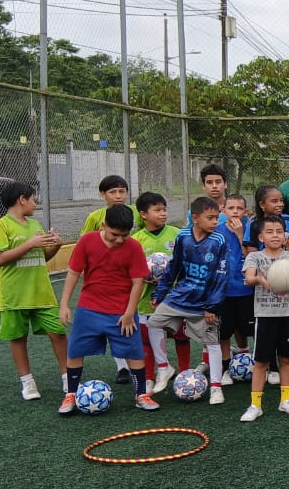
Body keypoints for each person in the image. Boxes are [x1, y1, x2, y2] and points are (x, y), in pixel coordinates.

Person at [57, 203, 156, 415]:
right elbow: (73, 272)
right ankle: (71, 394)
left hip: (122, 312)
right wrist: (64, 304)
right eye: (114, 235)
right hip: (89, 308)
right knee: (75, 350)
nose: (119, 240)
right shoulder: (87, 241)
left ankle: (141, 395)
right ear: (103, 225)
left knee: (135, 352)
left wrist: (129, 313)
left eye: (124, 235)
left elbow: (138, 282)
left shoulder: (133, 247)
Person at [0, 181, 67, 402]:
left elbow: (41, 257)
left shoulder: (34, 225)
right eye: (32, 199)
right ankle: (27, 382)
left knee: (58, 333)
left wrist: (56, 246)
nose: (35, 203)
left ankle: (68, 377)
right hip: (14, 295)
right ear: (22, 200)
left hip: (41, 292)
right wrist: (30, 244)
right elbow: (0, 259)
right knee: (18, 338)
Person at [146, 196, 229, 404]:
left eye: (217, 217)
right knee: (152, 323)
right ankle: (164, 367)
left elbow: (221, 277)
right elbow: (173, 268)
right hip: (179, 298)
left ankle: (216, 388)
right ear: (195, 218)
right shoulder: (183, 236)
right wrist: (159, 293)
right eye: (210, 218)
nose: (215, 222)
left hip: (204, 303)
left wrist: (212, 306)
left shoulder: (219, 240)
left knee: (212, 342)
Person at [239, 216, 289, 422]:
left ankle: (285, 400)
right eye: (269, 232)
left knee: (286, 358)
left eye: (279, 231)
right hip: (265, 316)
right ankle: (255, 405)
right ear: (261, 237)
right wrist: (260, 279)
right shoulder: (255, 257)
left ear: (285, 235)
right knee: (261, 361)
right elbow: (249, 278)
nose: (275, 235)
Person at [131, 191, 191, 383]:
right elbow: (129, 269)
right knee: (147, 339)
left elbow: (188, 261)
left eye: (164, 209)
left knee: (181, 335)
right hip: (147, 298)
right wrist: (143, 277)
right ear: (143, 214)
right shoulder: (136, 240)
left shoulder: (178, 234)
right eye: (157, 210)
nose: (163, 213)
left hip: (176, 297)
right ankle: (150, 377)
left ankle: (184, 373)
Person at [80, 174, 134, 382]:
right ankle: (122, 367)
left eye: (122, 191)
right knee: (113, 320)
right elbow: (84, 245)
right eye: (113, 192)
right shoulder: (95, 217)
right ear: (103, 194)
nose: (118, 196)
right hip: (106, 278)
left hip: (132, 275)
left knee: (135, 319)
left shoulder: (136, 213)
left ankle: (147, 363)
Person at [215, 192, 255, 384]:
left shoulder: (249, 231)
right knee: (224, 332)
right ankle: (225, 368)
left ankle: (253, 362)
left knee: (249, 329)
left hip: (247, 290)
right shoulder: (216, 232)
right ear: (223, 211)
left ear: (246, 211)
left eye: (239, 208)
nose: (235, 212)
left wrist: (240, 235)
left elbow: (251, 258)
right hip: (224, 292)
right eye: (231, 208)